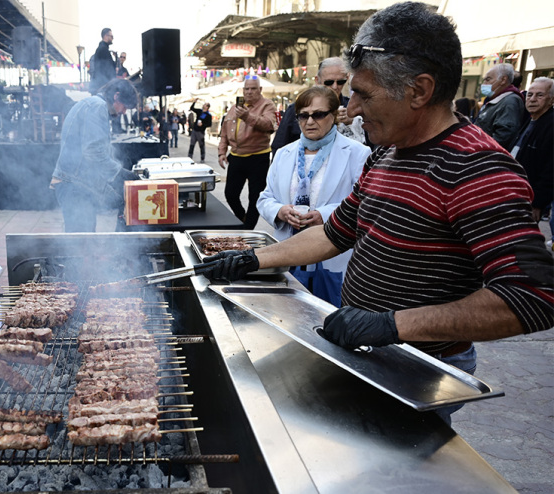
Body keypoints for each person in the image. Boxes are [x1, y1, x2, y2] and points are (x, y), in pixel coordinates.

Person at [203, 1, 553, 423]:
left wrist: (392, 325)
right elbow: (336, 232)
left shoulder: (477, 168)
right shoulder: (386, 153)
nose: (351, 109)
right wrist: (253, 259)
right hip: (367, 356)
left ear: (419, 91)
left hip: (416, 371)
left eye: (364, 95)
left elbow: (532, 297)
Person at [257, 86, 370, 306]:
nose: (310, 121)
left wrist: (324, 215)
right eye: (304, 115)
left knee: (329, 319)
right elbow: (265, 198)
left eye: (318, 114)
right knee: (288, 317)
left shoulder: (357, 153)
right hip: (288, 256)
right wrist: (280, 211)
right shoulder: (283, 154)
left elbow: (364, 204)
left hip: (332, 260)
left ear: (333, 115)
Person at [50, 78, 139, 232]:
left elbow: (93, 162)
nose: (124, 112)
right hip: (74, 187)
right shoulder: (97, 107)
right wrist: (121, 173)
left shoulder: (93, 105)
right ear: (116, 96)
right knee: (80, 244)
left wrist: (113, 195)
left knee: (85, 241)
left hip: (77, 185)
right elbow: (93, 153)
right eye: (124, 107)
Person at [217, 77, 278, 229]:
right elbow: (224, 132)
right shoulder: (235, 107)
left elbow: (269, 125)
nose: (249, 92)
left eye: (253, 88)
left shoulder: (267, 105)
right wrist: (221, 152)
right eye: (246, 89)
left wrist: (247, 116)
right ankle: (242, 218)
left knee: (255, 197)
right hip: (236, 156)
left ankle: (248, 228)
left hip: (258, 156)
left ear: (260, 90)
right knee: (230, 194)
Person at [272, 58, 358, 154]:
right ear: (317, 80)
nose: (335, 86)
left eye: (340, 82)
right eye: (329, 82)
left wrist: (354, 123)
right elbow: (279, 145)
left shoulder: (353, 107)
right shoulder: (297, 109)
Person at [511, 77, 553, 226]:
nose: (533, 99)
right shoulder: (530, 120)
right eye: (530, 94)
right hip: (515, 192)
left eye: (540, 95)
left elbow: (550, 170)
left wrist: (538, 203)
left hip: (530, 198)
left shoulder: (550, 125)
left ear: (551, 100)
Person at [476, 63, 525, 148]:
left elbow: (503, 137)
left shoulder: (510, 101)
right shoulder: (494, 100)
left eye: (488, 79)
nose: (484, 84)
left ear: (503, 80)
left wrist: (480, 149)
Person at [89, 28, 116, 94]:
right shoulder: (103, 49)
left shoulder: (102, 48)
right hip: (103, 86)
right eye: (111, 36)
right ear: (105, 36)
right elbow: (108, 70)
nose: (113, 38)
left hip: (101, 85)